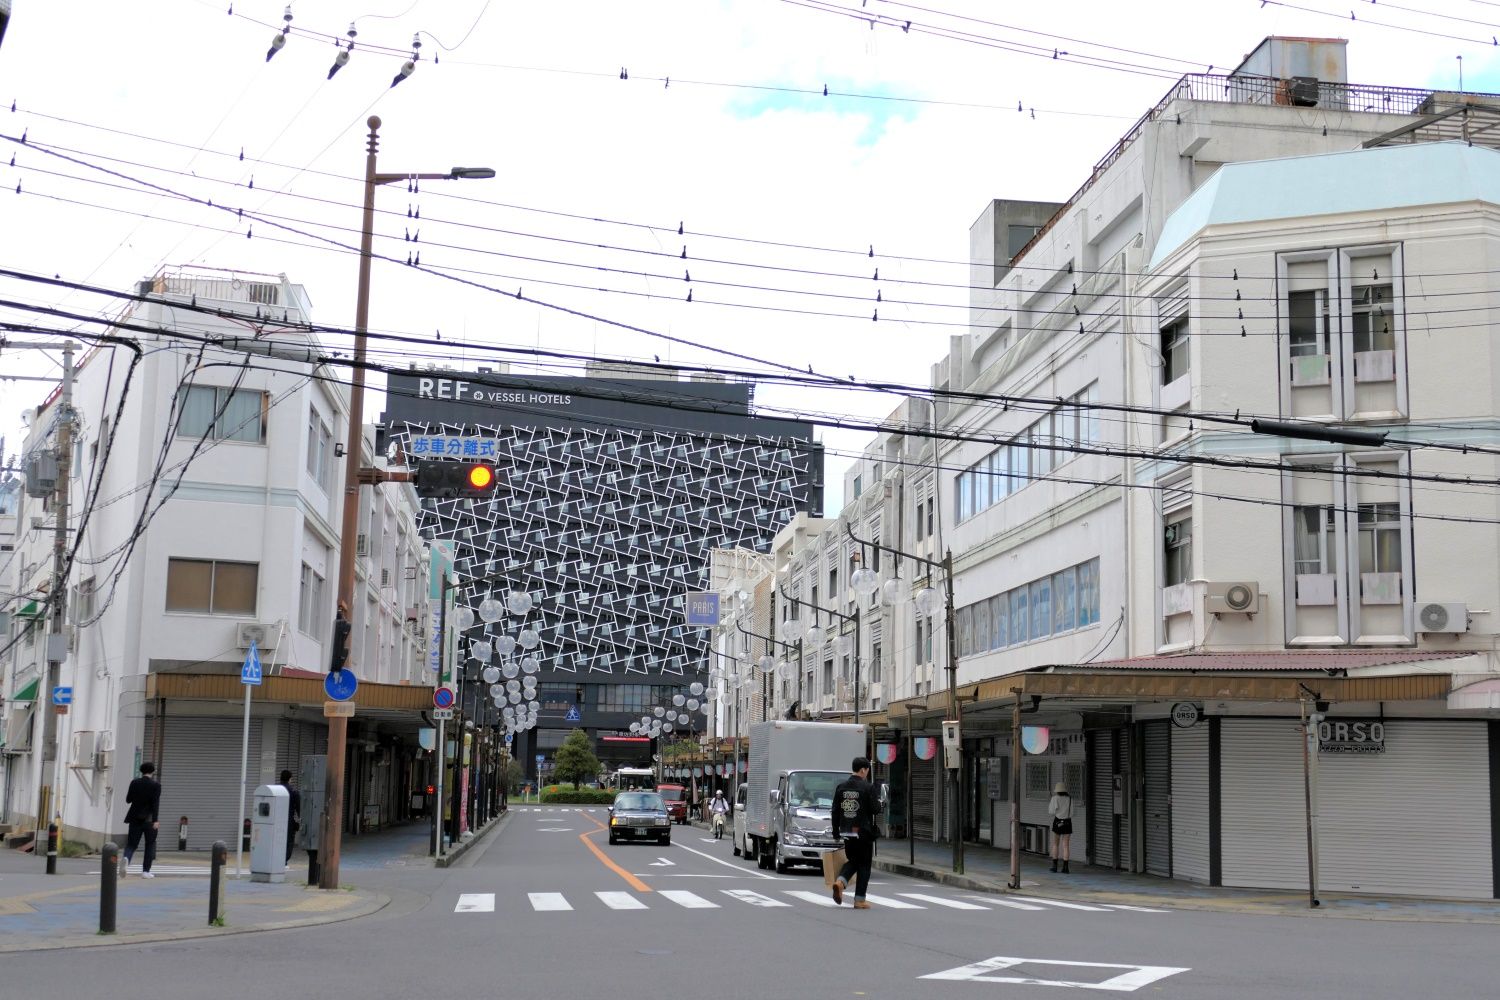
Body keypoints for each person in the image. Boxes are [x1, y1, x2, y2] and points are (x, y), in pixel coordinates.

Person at [830, 756, 881, 909]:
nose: (867, 773)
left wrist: (835, 832)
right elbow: (875, 809)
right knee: (864, 864)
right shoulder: (868, 787)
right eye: (867, 770)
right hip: (863, 832)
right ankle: (859, 900)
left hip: (846, 831)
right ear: (863, 770)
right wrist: (879, 803)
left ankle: (840, 882)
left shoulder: (841, 787)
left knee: (853, 860)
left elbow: (835, 811)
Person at [122, 762, 161, 878]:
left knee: (131, 844)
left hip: (134, 818)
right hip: (149, 820)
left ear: (141, 771)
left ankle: (126, 858)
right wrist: (155, 820)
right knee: (150, 844)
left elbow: (128, 800)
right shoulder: (156, 785)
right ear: (152, 771)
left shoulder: (134, 782)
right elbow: (155, 804)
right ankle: (145, 871)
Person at [1048, 781, 1073, 874]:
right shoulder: (1069, 799)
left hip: (1057, 822)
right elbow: (1072, 813)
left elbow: (1051, 812)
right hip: (1067, 822)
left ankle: (1054, 867)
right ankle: (1066, 868)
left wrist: (1058, 813)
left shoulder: (1055, 798)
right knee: (1066, 845)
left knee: (1055, 844)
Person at [279, 770, 302, 865]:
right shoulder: (293, 791)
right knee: (288, 842)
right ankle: (283, 861)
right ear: (290, 779)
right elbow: (299, 808)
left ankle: (277, 859)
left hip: (275, 821)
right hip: (288, 821)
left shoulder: (275, 789)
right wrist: (300, 820)